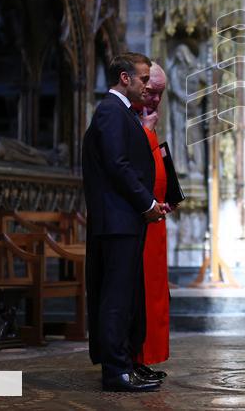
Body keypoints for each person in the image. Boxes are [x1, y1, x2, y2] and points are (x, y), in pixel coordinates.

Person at [83, 53, 167, 393]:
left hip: (125, 219)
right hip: (117, 221)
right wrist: (146, 203)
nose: (148, 85)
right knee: (116, 298)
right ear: (124, 78)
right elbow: (117, 165)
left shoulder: (123, 113)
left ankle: (128, 363)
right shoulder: (110, 111)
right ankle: (115, 371)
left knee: (128, 297)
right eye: (144, 79)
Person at [131, 63, 172, 383]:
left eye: (160, 93)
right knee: (140, 294)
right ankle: (134, 357)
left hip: (155, 218)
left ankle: (146, 357)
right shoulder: (126, 118)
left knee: (155, 294)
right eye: (151, 91)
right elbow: (127, 167)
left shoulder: (145, 118)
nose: (156, 99)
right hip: (138, 221)